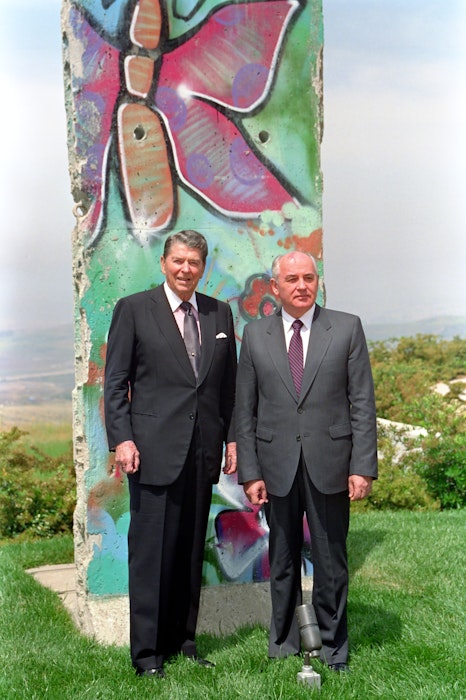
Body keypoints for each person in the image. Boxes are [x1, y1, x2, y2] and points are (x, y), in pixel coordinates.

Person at [235, 251, 378, 672]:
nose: (302, 286)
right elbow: (245, 411)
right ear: (275, 287)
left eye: (309, 278)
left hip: (331, 463)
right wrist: (251, 471)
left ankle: (334, 650)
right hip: (275, 465)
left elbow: (362, 403)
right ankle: (283, 643)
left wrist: (362, 465)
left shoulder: (347, 328)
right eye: (292, 279)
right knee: (281, 560)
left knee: (332, 561)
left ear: (318, 282)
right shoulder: (255, 334)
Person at [104, 230, 237, 678]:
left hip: (201, 456)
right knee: (150, 557)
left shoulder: (220, 313)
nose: (186, 270)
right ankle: (147, 656)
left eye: (194, 263)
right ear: (163, 263)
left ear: (203, 268)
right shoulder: (135, 310)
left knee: (187, 553)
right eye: (178, 261)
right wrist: (122, 439)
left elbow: (227, 388)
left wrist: (232, 440)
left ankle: (185, 642)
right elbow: (115, 382)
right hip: (151, 453)